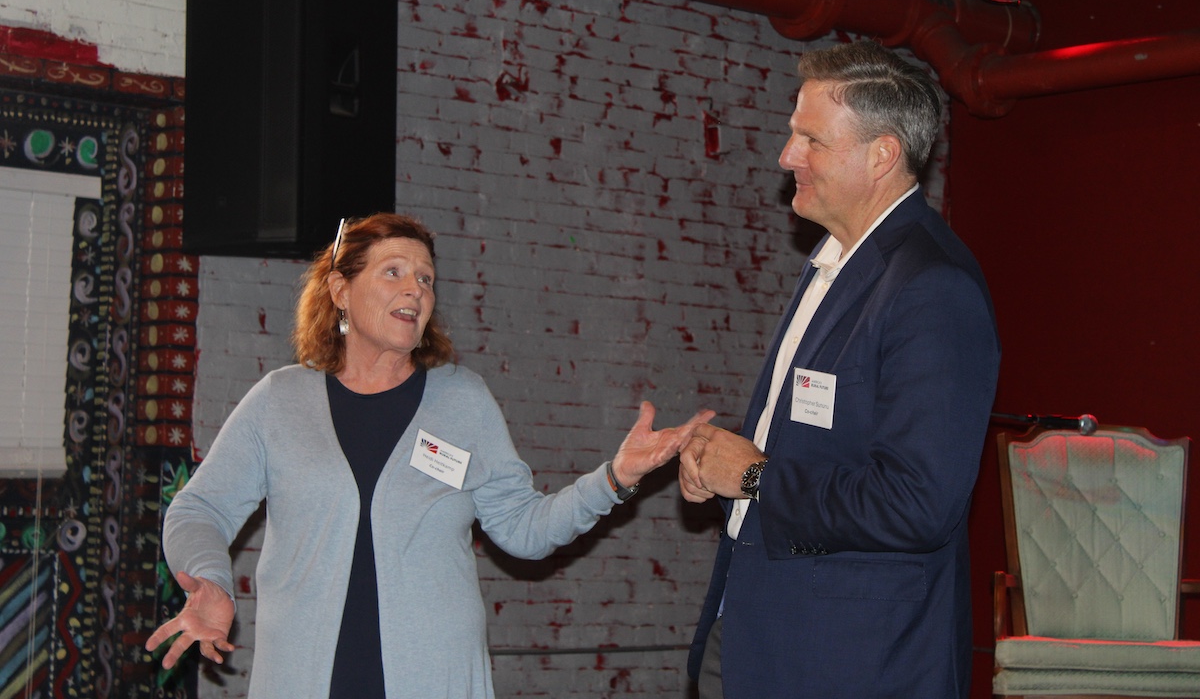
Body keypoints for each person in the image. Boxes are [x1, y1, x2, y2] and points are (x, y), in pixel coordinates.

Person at [145, 213, 714, 699]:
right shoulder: (280, 400)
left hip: (433, 678)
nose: (415, 289)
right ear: (341, 291)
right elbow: (200, 511)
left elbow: (521, 528)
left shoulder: (462, 401)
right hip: (301, 678)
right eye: (393, 272)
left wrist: (615, 478)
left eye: (426, 279)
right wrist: (210, 582)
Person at [678, 40, 1001, 698]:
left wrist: (753, 475)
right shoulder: (835, 264)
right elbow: (819, 443)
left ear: (880, 155)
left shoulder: (932, 286)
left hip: (851, 661)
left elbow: (918, 503)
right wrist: (720, 465)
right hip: (760, 634)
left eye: (810, 140)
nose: (786, 156)